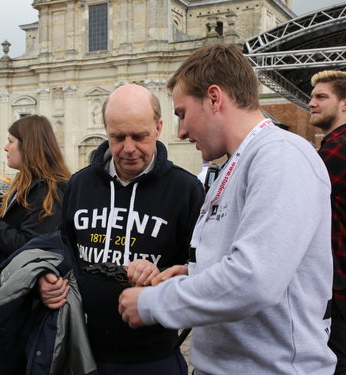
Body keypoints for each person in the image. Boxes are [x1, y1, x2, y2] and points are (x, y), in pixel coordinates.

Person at [118, 44, 337, 374]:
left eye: (182, 113)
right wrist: (196, 274)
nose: (181, 131)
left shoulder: (281, 157)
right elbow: (249, 259)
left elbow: (255, 279)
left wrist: (152, 304)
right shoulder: (237, 163)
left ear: (214, 98)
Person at [39, 83, 205, 374]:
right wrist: (48, 280)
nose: (128, 149)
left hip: (152, 358)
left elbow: (201, 271)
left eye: (139, 136)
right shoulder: (79, 184)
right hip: (81, 350)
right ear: (105, 130)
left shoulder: (186, 190)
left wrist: (162, 278)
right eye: (117, 137)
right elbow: (63, 249)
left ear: (158, 127)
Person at [0, 115, 71, 375]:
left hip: (25, 304)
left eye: (10, 141)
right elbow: (24, 226)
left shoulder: (48, 190)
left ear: (28, 146)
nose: (5, 147)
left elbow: (30, 247)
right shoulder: (30, 184)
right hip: (14, 299)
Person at [309, 70, 346, 374]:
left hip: (339, 290)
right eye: (311, 96)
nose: (311, 103)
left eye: (322, 97)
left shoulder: (337, 150)